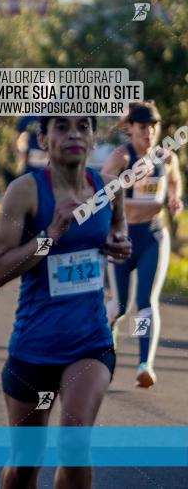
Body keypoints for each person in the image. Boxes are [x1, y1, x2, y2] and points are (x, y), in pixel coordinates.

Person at [0, 116, 131, 489]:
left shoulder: (106, 188)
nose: (73, 134)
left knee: (74, 442)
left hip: (91, 343)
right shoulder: (26, 191)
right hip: (34, 346)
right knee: (24, 465)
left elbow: (118, 228)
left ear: (93, 137)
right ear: (42, 138)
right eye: (62, 127)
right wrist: (50, 235)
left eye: (83, 127)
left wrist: (118, 244)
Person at [101, 102, 182, 387]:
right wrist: (127, 187)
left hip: (153, 237)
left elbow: (174, 182)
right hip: (123, 238)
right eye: (143, 127)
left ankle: (144, 364)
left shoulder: (165, 158)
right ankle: (105, 355)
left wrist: (174, 200)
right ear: (131, 128)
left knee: (147, 303)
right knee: (119, 306)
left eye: (153, 127)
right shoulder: (121, 156)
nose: (149, 132)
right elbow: (104, 192)